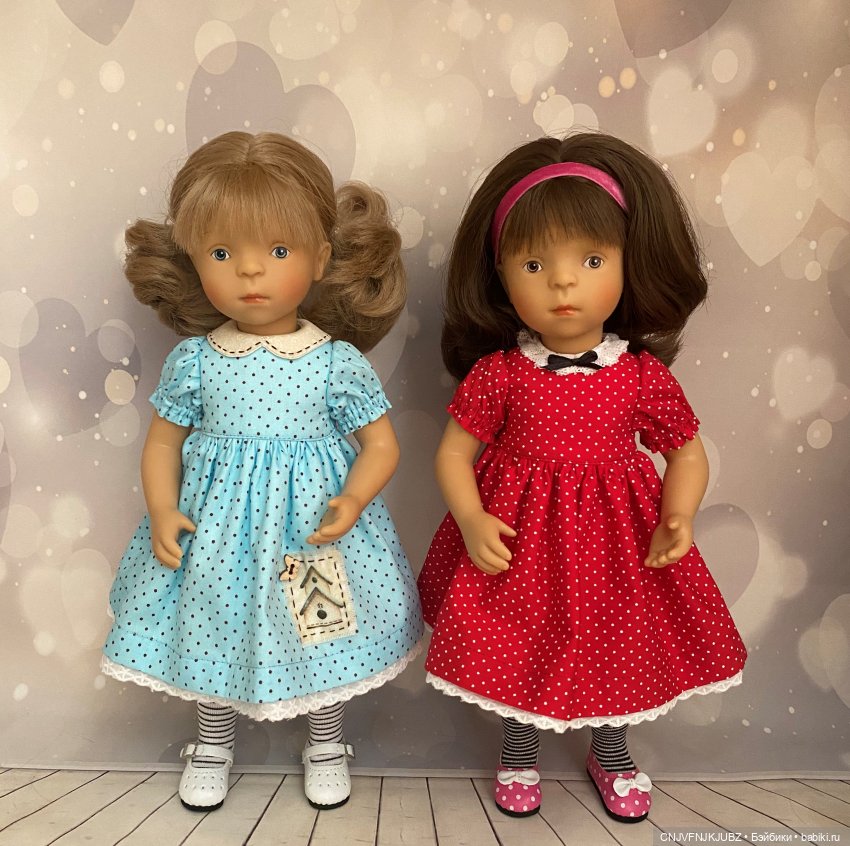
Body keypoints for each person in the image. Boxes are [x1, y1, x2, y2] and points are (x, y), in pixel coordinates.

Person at [417, 132, 747, 823]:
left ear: (628, 263)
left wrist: (679, 515)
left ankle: (612, 752)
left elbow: (685, 453)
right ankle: (518, 751)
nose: (563, 282)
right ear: (501, 274)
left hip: (617, 543)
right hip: (521, 539)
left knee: (618, 643)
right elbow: (452, 455)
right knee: (517, 641)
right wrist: (472, 518)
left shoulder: (641, 376)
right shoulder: (500, 374)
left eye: (591, 260)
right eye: (534, 263)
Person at [102, 131, 423, 812]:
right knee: (211, 624)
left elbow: (381, 445)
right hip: (217, 533)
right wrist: (162, 508)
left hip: (311, 532)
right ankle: (212, 744)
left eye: (278, 252)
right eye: (222, 254)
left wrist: (353, 500)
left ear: (320, 257)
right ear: (195, 261)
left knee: (322, 631)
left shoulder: (334, 362)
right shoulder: (196, 360)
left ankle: (326, 744)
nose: (251, 273)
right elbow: (162, 445)